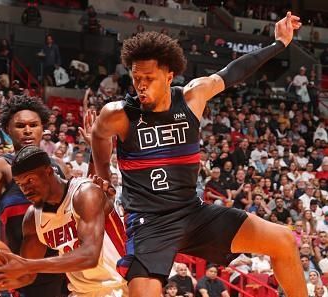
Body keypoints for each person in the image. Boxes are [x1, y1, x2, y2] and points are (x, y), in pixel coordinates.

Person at [91, 12, 306, 297]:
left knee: (284, 240)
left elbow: (233, 71)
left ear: (169, 76)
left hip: (193, 213)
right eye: (136, 77)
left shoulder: (192, 97)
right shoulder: (119, 115)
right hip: (149, 224)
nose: (140, 85)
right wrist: (103, 176)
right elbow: (97, 135)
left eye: (149, 78)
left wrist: (279, 43)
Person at [0, 145, 127, 296]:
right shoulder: (33, 217)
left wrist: (28, 266)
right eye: (20, 184)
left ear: (48, 171)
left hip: (121, 285)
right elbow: (26, 275)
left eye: (30, 180)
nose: (26, 189)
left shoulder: (85, 194)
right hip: (82, 292)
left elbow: (89, 256)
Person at [0, 94, 65, 297]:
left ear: (43, 128)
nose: (28, 130)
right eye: (20, 126)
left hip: (65, 274)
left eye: (33, 125)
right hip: (23, 277)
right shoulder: (2, 165)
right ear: (7, 130)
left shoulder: (60, 167)